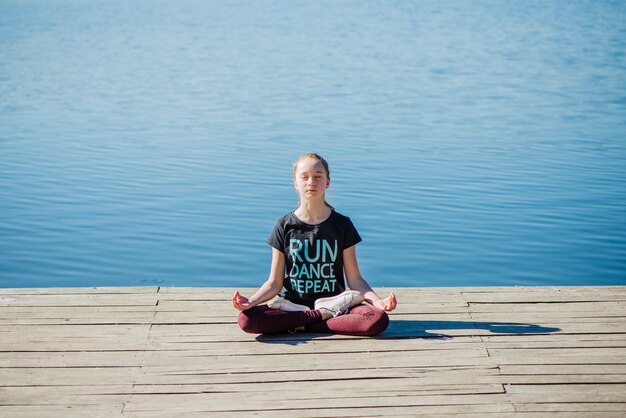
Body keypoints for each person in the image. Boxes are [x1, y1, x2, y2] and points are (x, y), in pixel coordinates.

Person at [232, 153, 397, 336]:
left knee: (375, 319)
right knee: (246, 320)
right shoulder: (284, 225)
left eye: (318, 176)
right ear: (295, 183)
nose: (311, 182)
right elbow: (274, 282)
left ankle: (300, 324)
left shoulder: (342, 225)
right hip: (291, 305)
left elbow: (355, 279)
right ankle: (320, 317)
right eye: (305, 177)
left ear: (327, 182)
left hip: (336, 302)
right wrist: (251, 301)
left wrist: (377, 302)